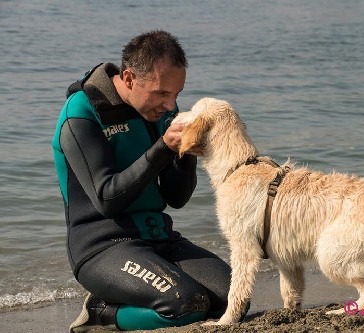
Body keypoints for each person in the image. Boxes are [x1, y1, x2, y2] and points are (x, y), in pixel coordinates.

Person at [52, 30, 233, 332]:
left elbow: (176, 198)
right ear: (129, 78)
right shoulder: (81, 113)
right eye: (162, 93)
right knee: (185, 305)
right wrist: (164, 147)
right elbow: (108, 198)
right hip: (103, 248)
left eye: (176, 94)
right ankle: (101, 311)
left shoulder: (160, 110)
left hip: (159, 239)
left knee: (233, 299)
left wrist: (186, 152)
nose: (170, 104)